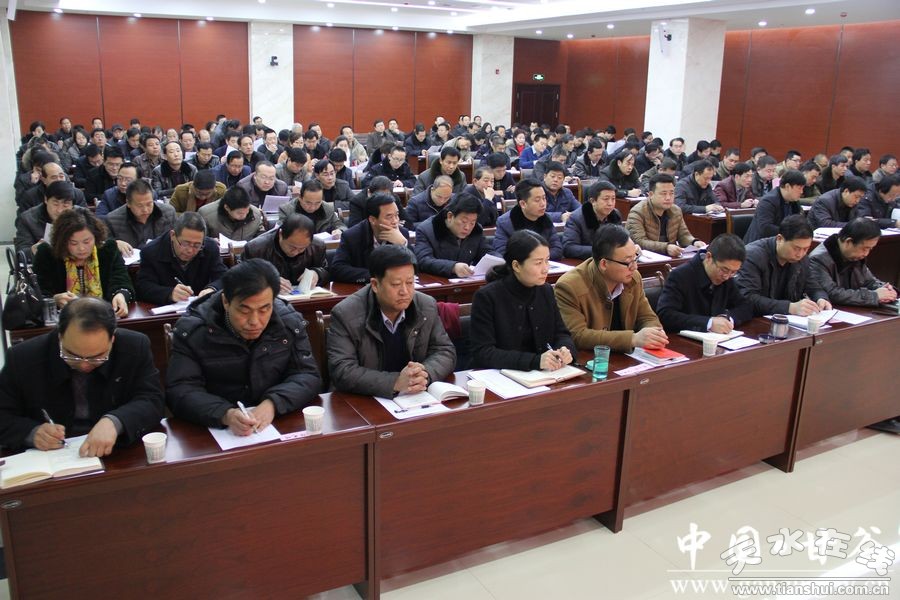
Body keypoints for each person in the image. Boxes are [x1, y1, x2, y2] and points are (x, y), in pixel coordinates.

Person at [166, 259, 321, 435]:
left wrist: (273, 403)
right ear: (226, 302)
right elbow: (181, 389)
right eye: (244, 311)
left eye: (264, 309)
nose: (254, 321)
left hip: (276, 423)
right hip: (215, 430)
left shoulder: (288, 322)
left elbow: (307, 375)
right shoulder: (194, 330)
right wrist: (225, 414)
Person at [0, 298, 164, 455]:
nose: (84, 365)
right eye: (73, 356)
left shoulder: (134, 347)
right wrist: (31, 432)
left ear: (112, 339)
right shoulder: (23, 358)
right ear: (60, 336)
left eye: (97, 357)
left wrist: (116, 422)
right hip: (50, 456)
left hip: (117, 451)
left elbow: (152, 400)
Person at [327, 245, 456, 397]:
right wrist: (395, 382)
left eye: (410, 282)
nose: (405, 291)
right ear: (375, 285)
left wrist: (423, 374)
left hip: (414, 396)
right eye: (396, 284)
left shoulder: (426, 305)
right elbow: (342, 370)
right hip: (365, 399)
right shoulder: (346, 314)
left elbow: (445, 351)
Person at [471, 230, 576, 370]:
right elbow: (483, 352)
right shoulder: (487, 296)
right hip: (502, 375)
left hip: (545, 373)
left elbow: (561, 333)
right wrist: (535, 361)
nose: (545, 269)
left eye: (547, 261)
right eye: (538, 263)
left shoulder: (546, 290)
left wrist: (565, 349)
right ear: (516, 266)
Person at [555, 224, 667, 352]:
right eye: (628, 262)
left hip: (627, 357)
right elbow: (577, 335)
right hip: (591, 358)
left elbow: (647, 317)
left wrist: (654, 334)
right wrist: (632, 339)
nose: (634, 267)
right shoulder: (569, 286)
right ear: (604, 264)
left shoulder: (633, 278)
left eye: (635, 258)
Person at [33, 207, 133, 318]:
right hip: (64, 320)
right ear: (62, 241)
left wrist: (120, 295)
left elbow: (122, 282)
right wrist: (54, 299)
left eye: (87, 241)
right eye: (74, 243)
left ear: (96, 237)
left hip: (102, 317)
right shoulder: (47, 254)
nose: (81, 248)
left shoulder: (108, 250)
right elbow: (38, 293)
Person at [655, 233, 754, 333]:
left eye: (733, 272)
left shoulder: (727, 278)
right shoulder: (680, 275)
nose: (727, 276)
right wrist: (709, 323)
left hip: (718, 339)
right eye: (724, 270)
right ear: (708, 257)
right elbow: (665, 315)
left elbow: (746, 306)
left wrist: (727, 319)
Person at [736, 215, 832, 316]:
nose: (800, 254)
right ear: (780, 239)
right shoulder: (752, 256)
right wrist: (789, 307)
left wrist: (821, 298)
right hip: (755, 319)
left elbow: (812, 285)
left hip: (786, 319)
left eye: (806, 249)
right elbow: (748, 298)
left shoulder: (802, 258)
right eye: (796, 248)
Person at [135, 212, 227, 305]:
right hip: (165, 309)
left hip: (200, 307)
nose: (190, 250)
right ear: (172, 235)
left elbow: (224, 277)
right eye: (185, 244)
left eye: (197, 245)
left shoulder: (210, 247)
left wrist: (212, 289)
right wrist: (169, 293)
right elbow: (143, 287)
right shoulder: (151, 251)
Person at [809, 218, 897, 307]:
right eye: (864, 248)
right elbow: (832, 293)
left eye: (870, 249)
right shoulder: (818, 259)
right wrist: (874, 296)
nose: (866, 254)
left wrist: (884, 288)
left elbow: (868, 281)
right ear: (848, 242)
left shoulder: (854, 255)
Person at [331, 193, 411, 283]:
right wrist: (379, 277)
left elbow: (415, 268)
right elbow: (337, 269)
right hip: (363, 288)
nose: (395, 221)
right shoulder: (352, 236)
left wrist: (403, 245)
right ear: (372, 220)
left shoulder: (402, 233)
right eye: (389, 217)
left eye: (396, 215)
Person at [242, 213, 329, 293]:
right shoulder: (256, 248)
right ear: (281, 234)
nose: (296, 252)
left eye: (302, 248)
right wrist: (268, 281)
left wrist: (318, 274)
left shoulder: (317, 246)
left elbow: (326, 270)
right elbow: (243, 278)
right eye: (292, 247)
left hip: (305, 298)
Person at [626, 173, 706, 258]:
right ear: (651, 195)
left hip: (670, 257)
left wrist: (694, 242)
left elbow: (684, 235)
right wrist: (665, 247)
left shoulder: (676, 210)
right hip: (647, 258)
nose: (668, 198)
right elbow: (639, 241)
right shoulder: (637, 212)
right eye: (663, 194)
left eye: (671, 193)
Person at [413, 194, 491, 278]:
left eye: (472, 223)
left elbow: (487, 252)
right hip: (438, 281)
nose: (467, 227)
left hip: (466, 281)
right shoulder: (427, 230)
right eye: (464, 221)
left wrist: (497, 261)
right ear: (450, 216)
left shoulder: (476, 230)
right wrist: (453, 267)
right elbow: (423, 261)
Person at [493, 178, 563, 260]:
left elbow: (557, 249)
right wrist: (532, 260)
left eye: (544, 198)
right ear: (523, 204)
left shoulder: (546, 219)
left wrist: (539, 259)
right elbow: (502, 253)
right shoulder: (505, 223)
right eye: (537, 200)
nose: (543, 204)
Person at [104, 179, 177, 254]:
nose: (145, 210)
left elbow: (177, 239)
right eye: (140, 205)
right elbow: (103, 245)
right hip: (130, 260)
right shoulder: (112, 220)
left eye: (149, 204)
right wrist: (114, 244)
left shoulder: (168, 213)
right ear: (128, 203)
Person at [14, 180, 75, 259]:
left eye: (65, 205)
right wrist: (33, 250)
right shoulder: (27, 219)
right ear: (46, 199)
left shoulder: (82, 216)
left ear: (72, 205)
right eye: (55, 204)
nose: (60, 210)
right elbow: (21, 253)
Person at [563, 180, 623, 259]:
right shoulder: (577, 218)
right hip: (586, 262)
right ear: (593, 201)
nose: (610, 203)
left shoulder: (615, 215)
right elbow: (569, 248)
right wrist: (601, 251)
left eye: (613, 199)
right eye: (606, 199)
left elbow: (622, 239)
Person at [742, 170, 807, 243]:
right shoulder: (768, 201)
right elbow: (765, 228)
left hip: (782, 242)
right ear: (787, 186)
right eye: (799, 188)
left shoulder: (794, 201)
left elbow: (799, 221)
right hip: (760, 244)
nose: (801, 192)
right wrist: (791, 232)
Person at [198, 185, 269, 242]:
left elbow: (260, 232)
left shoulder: (256, 213)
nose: (244, 216)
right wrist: (210, 242)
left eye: (247, 211)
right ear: (227, 207)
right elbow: (199, 238)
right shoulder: (206, 214)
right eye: (240, 213)